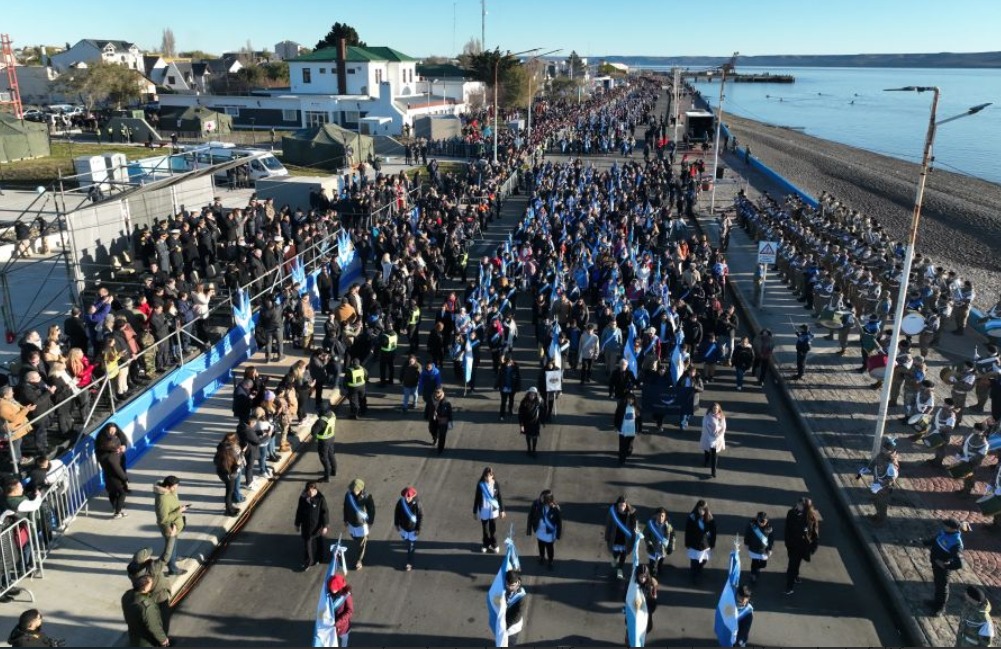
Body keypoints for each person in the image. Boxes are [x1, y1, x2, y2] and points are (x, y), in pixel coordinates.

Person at [923, 517, 964, 616]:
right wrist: (925, 542)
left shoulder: (956, 543)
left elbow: (959, 564)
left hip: (943, 568)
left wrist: (944, 566)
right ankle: (936, 602)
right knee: (937, 584)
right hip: (935, 564)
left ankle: (941, 608)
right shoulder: (944, 532)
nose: (944, 526)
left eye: (946, 525)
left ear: (952, 528)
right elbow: (936, 540)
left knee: (943, 587)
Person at [126, 547, 171, 635]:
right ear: (144, 560)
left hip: (149, 600)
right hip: (160, 598)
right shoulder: (152, 569)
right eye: (148, 556)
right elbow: (166, 556)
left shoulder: (132, 572)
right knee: (164, 620)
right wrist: (171, 539)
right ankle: (164, 639)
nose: (150, 556)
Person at [784, 496, 820, 595]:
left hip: (803, 546)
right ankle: (792, 580)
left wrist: (813, 547)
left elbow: (815, 533)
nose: (797, 506)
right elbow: (787, 529)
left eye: (800, 505)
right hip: (792, 544)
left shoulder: (811, 517)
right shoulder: (791, 513)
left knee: (794, 563)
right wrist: (787, 542)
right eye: (798, 503)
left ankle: (791, 582)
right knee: (793, 563)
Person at [121, 575, 169, 647]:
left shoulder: (127, 595)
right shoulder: (147, 606)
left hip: (134, 636)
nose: (152, 585)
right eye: (151, 583)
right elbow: (153, 625)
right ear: (145, 587)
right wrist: (163, 639)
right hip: (146, 642)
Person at [153, 476, 187, 577]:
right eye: (175, 486)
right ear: (168, 487)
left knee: (173, 546)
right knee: (170, 548)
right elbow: (163, 519)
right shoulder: (162, 500)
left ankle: (174, 558)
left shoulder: (169, 492)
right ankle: (173, 569)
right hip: (170, 528)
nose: (176, 488)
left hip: (175, 525)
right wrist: (179, 511)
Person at [95, 423, 130, 519]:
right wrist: (125, 478)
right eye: (111, 432)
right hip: (115, 473)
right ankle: (117, 511)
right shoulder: (111, 456)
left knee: (112, 490)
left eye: (114, 431)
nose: (113, 433)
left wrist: (123, 446)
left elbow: (123, 440)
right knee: (121, 491)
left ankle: (116, 507)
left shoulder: (104, 451)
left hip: (110, 472)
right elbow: (116, 468)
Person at [294, 481, 329, 571]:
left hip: (317, 526)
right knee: (307, 545)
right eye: (309, 491)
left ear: (315, 489)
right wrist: (297, 524)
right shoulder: (303, 498)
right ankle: (308, 562)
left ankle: (320, 558)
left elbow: (324, 512)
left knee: (319, 542)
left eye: (312, 491)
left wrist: (325, 526)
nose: (310, 493)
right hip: (306, 526)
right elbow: (299, 511)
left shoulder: (320, 498)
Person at [343, 478, 375, 570]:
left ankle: (359, 560)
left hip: (362, 524)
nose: (354, 491)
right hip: (351, 522)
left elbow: (371, 510)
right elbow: (345, 507)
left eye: (356, 489)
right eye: (353, 489)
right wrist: (345, 519)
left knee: (361, 542)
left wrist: (370, 522)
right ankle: (363, 542)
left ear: (361, 489)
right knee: (354, 537)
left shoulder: (367, 497)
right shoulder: (348, 495)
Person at [526, 489, 562, 570]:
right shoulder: (536, 504)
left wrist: (558, 534)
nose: (541, 500)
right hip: (540, 530)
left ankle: (550, 561)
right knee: (541, 544)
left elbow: (559, 522)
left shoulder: (555, 509)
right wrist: (529, 530)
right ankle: (542, 557)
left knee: (549, 547)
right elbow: (530, 515)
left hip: (549, 532)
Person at [605, 495, 638, 580]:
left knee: (623, 555)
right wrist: (607, 536)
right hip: (615, 536)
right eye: (620, 505)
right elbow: (609, 524)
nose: (622, 507)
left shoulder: (631, 513)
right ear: (617, 505)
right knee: (615, 552)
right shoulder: (613, 512)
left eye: (623, 505)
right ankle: (615, 558)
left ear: (626, 505)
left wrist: (634, 534)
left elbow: (634, 525)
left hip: (625, 538)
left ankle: (620, 570)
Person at [684, 499, 716, 584]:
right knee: (694, 561)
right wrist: (687, 543)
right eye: (700, 509)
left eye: (703, 509)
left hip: (705, 545)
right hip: (694, 544)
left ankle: (699, 569)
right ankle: (694, 576)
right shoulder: (692, 518)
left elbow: (713, 532)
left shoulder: (710, 518)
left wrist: (712, 543)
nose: (701, 511)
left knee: (703, 560)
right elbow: (688, 532)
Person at [474, 467, 505, 553]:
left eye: (490, 476)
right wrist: (474, 511)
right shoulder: (480, 485)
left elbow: (499, 497)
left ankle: (494, 544)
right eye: (486, 476)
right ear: (484, 476)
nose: (488, 478)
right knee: (485, 530)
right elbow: (477, 498)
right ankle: (486, 544)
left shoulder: (496, 484)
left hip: (493, 511)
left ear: (492, 476)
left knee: (493, 529)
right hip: (484, 510)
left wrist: (502, 510)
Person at [212, 431, 244, 517]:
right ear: (233, 440)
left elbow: (215, 461)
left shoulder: (220, 449)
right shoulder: (231, 452)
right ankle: (228, 510)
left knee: (229, 491)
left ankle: (230, 507)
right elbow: (234, 468)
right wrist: (238, 463)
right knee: (229, 493)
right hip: (229, 475)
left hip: (222, 473)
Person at [394, 486, 423, 571]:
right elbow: (397, 513)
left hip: (413, 529)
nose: (407, 499)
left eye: (409, 497)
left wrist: (418, 529)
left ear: (412, 496)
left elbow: (420, 517)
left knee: (411, 546)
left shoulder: (417, 504)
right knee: (406, 541)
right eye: (405, 497)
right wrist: (396, 524)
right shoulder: (400, 502)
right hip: (403, 527)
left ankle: (409, 563)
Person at [643, 507, 675, 578]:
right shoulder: (651, 525)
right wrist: (649, 544)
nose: (660, 518)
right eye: (659, 515)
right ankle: (652, 574)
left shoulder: (668, 526)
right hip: (653, 547)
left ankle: (659, 569)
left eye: (662, 516)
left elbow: (672, 537)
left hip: (663, 548)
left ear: (665, 517)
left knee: (661, 561)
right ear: (656, 516)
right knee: (652, 563)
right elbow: (645, 534)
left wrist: (671, 546)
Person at [743, 512, 774, 583]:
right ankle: (753, 575)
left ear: (767, 521)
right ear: (757, 519)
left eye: (764, 521)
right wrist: (746, 543)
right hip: (754, 548)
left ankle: (757, 569)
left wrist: (770, 548)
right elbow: (747, 535)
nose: (762, 523)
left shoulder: (769, 528)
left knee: (763, 564)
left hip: (764, 550)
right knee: (754, 562)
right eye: (761, 521)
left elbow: (771, 539)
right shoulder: (752, 526)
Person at [325, 573, 354, 647]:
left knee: (344, 638)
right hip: (331, 624)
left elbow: (349, 611)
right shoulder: (330, 593)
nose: (331, 590)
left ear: (339, 588)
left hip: (342, 626)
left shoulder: (346, 596)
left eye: (333, 588)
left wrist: (339, 622)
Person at [699, 402, 727, 478]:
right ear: (711, 409)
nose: (715, 410)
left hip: (717, 438)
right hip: (708, 436)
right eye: (714, 408)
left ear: (719, 409)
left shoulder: (722, 416)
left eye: (716, 408)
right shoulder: (707, 416)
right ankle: (706, 461)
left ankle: (713, 471)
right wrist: (710, 434)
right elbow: (704, 425)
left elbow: (723, 427)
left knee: (714, 454)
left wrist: (718, 434)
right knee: (707, 451)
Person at [614, 392, 641, 465]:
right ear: (626, 399)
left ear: (634, 400)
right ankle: (621, 459)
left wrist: (639, 430)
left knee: (628, 445)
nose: (630, 400)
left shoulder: (637, 408)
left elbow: (639, 420)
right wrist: (616, 426)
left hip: (632, 430)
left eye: (632, 399)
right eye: (628, 398)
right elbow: (616, 416)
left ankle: (628, 451)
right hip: (623, 429)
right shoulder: (621, 406)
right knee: (622, 445)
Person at [311, 407, 337, 483]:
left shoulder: (321, 421)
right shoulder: (332, 414)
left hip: (323, 441)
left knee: (324, 458)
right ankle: (334, 471)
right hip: (331, 437)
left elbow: (313, 432)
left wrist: (315, 424)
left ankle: (326, 477)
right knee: (331, 454)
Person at [518, 387, 544, 456]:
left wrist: (543, 421)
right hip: (527, 423)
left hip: (536, 423)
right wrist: (521, 425)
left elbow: (542, 411)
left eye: (534, 394)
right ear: (528, 394)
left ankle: (534, 450)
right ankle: (529, 449)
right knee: (528, 436)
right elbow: (520, 414)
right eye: (531, 394)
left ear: (536, 395)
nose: (532, 396)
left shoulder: (539, 401)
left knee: (535, 437)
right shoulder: (524, 402)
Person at [503, 570, 527, 645]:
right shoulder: (507, 587)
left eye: (512, 585)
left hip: (513, 628)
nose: (510, 588)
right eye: (508, 585)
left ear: (517, 582)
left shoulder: (521, 597)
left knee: (510, 644)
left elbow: (517, 615)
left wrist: (506, 625)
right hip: (506, 621)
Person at [495, 355, 522, 420]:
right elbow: (499, 377)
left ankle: (510, 410)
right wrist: (496, 385)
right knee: (503, 401)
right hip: (504, 387)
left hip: (512, 387)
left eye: (510, 362)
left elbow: (518, 378)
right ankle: (502, 414)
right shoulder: (502, 367)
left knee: (511, 399)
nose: (508, 364)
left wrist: (518, 387)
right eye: (507, 362)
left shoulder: (515, 368)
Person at [677, 365, 703, 431]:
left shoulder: (698, 379)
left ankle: (686, 421)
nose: (692, 373)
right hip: (684, 396)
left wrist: (696, 387)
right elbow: (678, 385)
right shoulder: (683, 377)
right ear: (688, 372)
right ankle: (682, 425)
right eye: (691, 372)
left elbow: (702, 389)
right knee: (683, 412)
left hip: (693, 398)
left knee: (689, 412)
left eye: (694, 372)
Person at [428, 387, 453, 455]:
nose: (436, 394)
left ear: (442, 392)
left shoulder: (446, 402)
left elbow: (449, 412)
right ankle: (435, 438)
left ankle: (440, 449)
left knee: (442, 435)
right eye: (435, 392)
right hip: (434, 419)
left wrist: (450, 421)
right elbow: (428, 408)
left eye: (438, 392)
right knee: (432, 430)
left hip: (443, 420)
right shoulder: (431, 399)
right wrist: (427, 416)